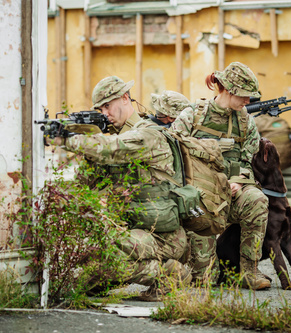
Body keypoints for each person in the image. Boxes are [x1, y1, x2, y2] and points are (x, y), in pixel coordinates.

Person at [46, 76, 191, 301]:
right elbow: (84, 187)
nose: (104, 113)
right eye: (100, 108)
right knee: (85, 285)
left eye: (107, 105)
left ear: (125, 98)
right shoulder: (111, 139)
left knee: (106, 251)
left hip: (163, 236)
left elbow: (114, 149)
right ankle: (125, 272)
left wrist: (67, 139)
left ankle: (169, 274)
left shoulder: (148, 133)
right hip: (131, 229)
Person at [170, 62, 270, 290]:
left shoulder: (245, 121)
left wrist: (238, 181)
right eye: (244, 96)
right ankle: (199, 268)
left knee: (257, 201)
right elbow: (173, 153)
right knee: (205, 281)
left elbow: (247, 160)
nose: (248, 101)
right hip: (200, 196)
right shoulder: (193, 116)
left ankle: (250, 271)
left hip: (232, 191)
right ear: (229, 90)